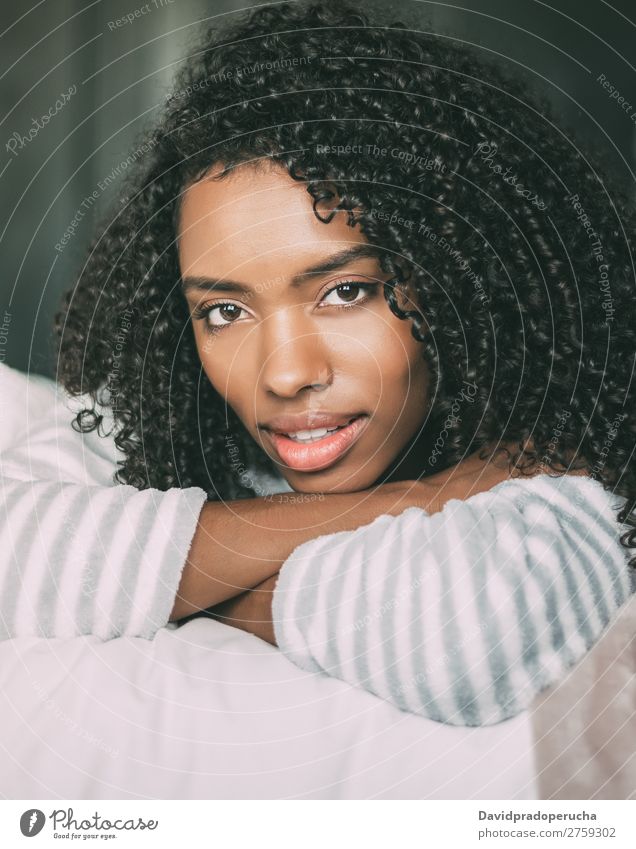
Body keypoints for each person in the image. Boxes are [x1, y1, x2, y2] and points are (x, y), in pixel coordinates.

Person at [2, 1, 634, 727]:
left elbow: (452, 638)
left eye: (345, 291)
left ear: (463, 281)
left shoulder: (555, 471)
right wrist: (420, 496)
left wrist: (157, 580)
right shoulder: (168, 428)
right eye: (224, 311)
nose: (283, 373)